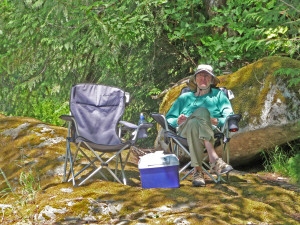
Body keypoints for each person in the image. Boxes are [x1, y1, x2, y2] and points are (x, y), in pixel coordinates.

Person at [166, 64, 234, 187]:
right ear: (195, 79)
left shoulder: (219, 96)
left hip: (211, 129)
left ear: (212, 80)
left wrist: (217, 121)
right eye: (200, 76)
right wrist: (178, 121)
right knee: (200, 113)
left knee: (194, 121)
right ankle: (214, 160)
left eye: (207, 76)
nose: (203, 79)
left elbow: (229, 116)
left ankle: (198, 172)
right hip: (184, 130)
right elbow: (169, 118)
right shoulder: (184, 98)